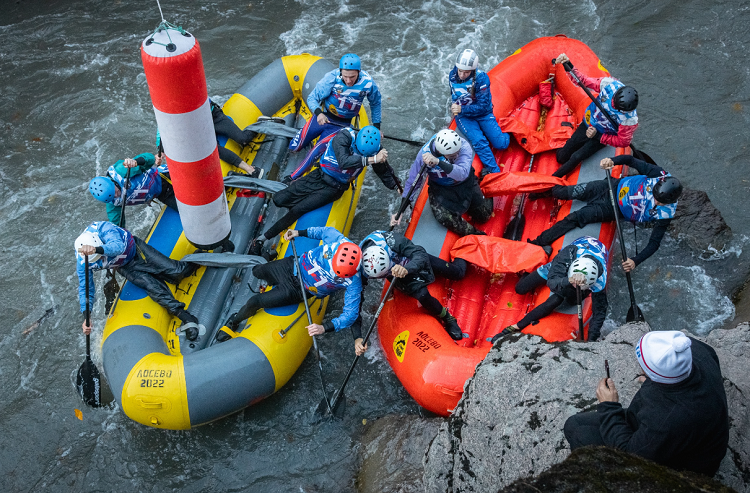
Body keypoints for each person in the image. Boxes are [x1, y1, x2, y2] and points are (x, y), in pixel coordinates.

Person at [563, 330, 729, 477]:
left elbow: (631, 454)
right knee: (573, 424)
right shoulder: (696, 350)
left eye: (645, 367)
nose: (640, 367)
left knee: (580, 436)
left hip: (685, 464)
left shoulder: (668, 419)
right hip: (681, 436)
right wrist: (653, 378)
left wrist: (609, 406)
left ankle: (600, 481)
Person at [249, 125, 395, 256]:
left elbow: (384, 172)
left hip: (334, 188)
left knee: (298, 210)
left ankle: (261, 239)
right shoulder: (344, 137)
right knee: (278, 199)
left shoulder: (375, 151)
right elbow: (344, 162)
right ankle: (291, 208)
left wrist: (396, 186)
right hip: (319, 175)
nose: (360, 154)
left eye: (367, 155)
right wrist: (372, 159)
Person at [219, 227, 367, 355]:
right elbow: (323, 231)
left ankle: (235, 320)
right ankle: (266, 257)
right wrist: (298, 232)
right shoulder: (339, 241)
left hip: (297, 289)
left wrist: (324, 327)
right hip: (291, 265)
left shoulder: (354, 282)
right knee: (257, 271)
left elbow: (350, 314)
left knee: (255, 301)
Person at [529, 155, 682, 272]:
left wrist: (636, 260)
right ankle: (537, 191)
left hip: (613, 210)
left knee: (575, 218)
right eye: (655, 198)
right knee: (564, 192)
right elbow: (630, 160)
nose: (655, 203)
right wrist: (612, 160)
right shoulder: (658, 174)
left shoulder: (666, 213)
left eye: (659, 202)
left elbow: (654, 244)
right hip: (609, 186)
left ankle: (538, 243)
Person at [75, 221, 200, 340]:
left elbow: (118, 247)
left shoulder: (103, 228)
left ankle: (200, 254)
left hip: (137, 251)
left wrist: (98, 250)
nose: (101, 259)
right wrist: (86, 315)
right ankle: (186, 317)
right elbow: (85, 288)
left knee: (178, 272)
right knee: (152, 287)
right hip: (125, 267)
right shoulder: (83, 262)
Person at [492, 236, 608, 343]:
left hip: (588, 266)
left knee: (561, 299)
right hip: (568, 263)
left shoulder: (599, 281)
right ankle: (543, 254)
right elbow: (552, 283)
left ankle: (516, 326)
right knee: (520, 288)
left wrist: (592, 340)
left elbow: (599, 312)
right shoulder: (568, 255)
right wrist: (569, 281)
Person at [360, 230, 468, 341]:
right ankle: (448, 318)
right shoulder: (360, 272)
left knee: (458, 273)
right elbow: (356, 300)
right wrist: (357, 338)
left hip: (411, 261)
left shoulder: (391, 241)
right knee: (422, 295)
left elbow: (419, 253)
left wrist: (406, 269)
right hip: (397, 276)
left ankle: (465, 246)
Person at [551, 53, 639, 178]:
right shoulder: (609, 85)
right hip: (588, 124)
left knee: (577, 157)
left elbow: (623, 141)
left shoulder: (629, 120)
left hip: (602, 136)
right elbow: (584, 81)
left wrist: (598, 136)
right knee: (561, 157)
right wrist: (568, 65)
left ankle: (552, 180)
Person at [397, 129, 492, 237]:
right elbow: (413, 182)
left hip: (464, 181)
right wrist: (401, 210)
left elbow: (462, 174)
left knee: (484, 216)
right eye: (452, 155)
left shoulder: (463, 145)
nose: (456, 156)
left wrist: (438, 162)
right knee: (442, 217)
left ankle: (485, 178)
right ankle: (477, 235)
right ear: (442, 152)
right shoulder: (423, 154)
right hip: (441, 188)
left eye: (457, 153)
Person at [289, 53, 382, 152]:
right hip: (324, 116)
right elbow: (312, 98)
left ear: (359, 72)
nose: (348, 81)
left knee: (317, 152)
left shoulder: (368, 83)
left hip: (343, 124)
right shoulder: (332, 78)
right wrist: (318, 113)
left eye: (352, 77)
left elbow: (375, 103)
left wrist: (376, 127)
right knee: (294, 146)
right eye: (345, 76)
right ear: (340, 71)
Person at [155, 99, 262, 177]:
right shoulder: (167, 106)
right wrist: (161, 152)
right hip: (199, 130)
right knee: (214, 149)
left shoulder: (189, 89)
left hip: (213, 117)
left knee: (243, 139)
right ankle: (249, 169)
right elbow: (162, 131)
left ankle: (261, 124)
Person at [449, 49, 509, 174]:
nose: (461, 75)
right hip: (464, 116)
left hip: (482, 113)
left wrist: (462, 108)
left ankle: (509, 134)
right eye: (460, 71)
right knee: (479, 142)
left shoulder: (482, 79)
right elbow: (454, 95)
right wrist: (457, 108)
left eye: (466, 72)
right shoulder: (452, 75)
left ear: (472, 70)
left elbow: (482, 106)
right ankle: (495, 172)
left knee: (501, 144)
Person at [88, 152, 176, 227]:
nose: (116, 195)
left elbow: (150, 158)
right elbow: (118, 225)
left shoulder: (122, 170)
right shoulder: (113, 202)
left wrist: (136, 162)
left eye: (114, 191)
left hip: (167, 177)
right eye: (113, 196)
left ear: (112, 182)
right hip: (163, 194)